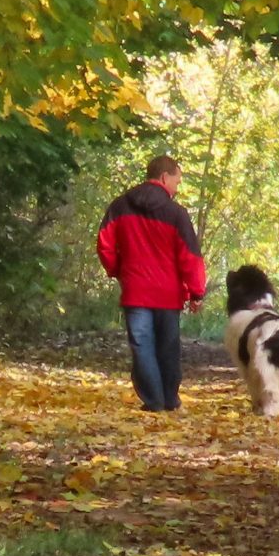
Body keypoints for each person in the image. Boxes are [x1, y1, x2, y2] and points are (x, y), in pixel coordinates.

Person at [96, 154, 208, 412]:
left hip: (135, 291)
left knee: (142, 347)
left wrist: (118, 270)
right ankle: (170, 400)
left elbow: (105, 245)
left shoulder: (119, 206)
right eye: (177, 182)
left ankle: (153, 401)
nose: (176, 189)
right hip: (168, 295)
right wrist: (196, 292)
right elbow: (190, 257)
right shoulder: (176, 213)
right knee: (168, 348)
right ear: (164, 177)